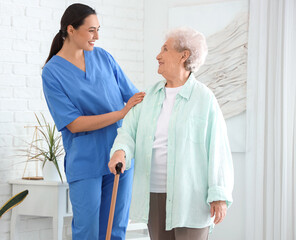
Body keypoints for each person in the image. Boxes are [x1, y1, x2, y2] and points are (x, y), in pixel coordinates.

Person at [109, 27, 234, 240]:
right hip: (153, 194)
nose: (158, 55)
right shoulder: (147, 97)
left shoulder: (204, 99)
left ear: (183, 55)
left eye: (165, 49)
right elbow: (128, 132)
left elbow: (218, 149)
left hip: (190, 198)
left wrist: (219, 195)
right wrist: (120, 152)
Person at [42, 3, 145, 240]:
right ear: (70, 29)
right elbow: (74, 124)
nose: (97, 36)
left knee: (115, 229)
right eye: (91, 30)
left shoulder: (104, 58)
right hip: (85, 162)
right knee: (88, 231)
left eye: (98, 29)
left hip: (119, 154)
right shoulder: (52, 72)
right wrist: (121, 113)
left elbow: (134, 98)